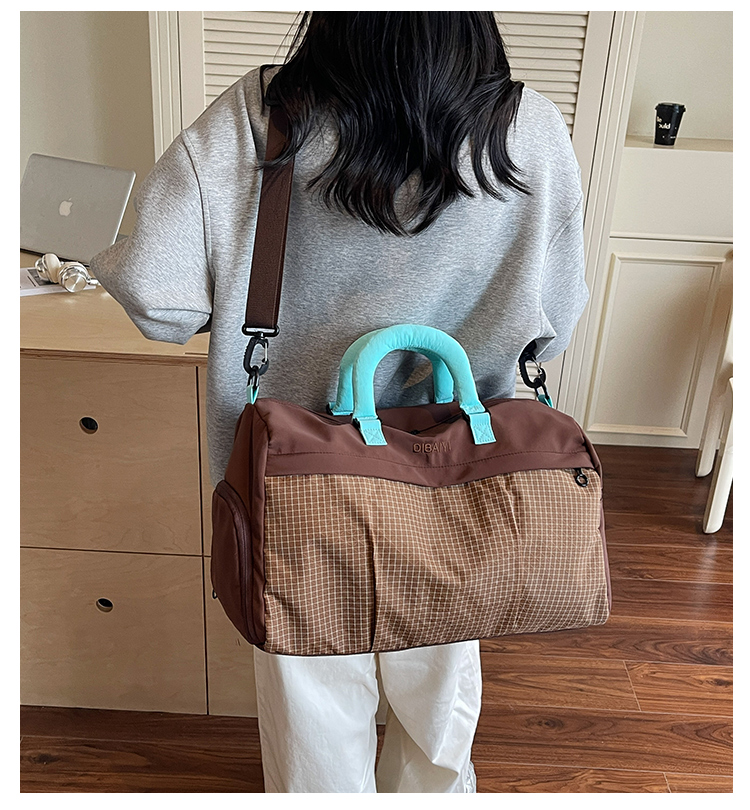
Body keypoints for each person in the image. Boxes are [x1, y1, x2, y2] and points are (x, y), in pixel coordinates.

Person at [91, 11, 588, 794]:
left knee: (311, 699)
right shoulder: (528, 129)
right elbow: (553, 320)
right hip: (460, 480)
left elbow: (159, 301)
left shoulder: (260, 117)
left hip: (296, 483)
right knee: (439, 682)